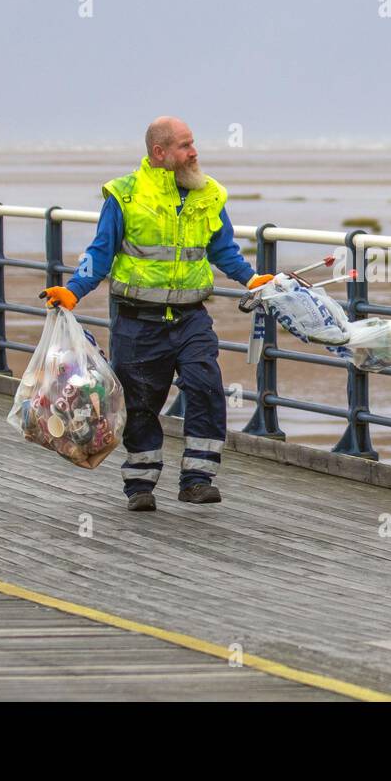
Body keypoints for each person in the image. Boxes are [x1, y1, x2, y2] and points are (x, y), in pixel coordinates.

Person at [42, 116, 272, 511]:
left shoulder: (209, 194)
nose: (194, 152)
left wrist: (251, 280)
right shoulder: (125, 195)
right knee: (140, 402)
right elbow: (100, 253)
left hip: (191, 317)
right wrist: (74, 291)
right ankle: (140, 484)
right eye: (185, 146)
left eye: (194, 143)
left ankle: (198, 479)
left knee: (206, 386)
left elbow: (223, 250)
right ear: (159, 152)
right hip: (137, 320)